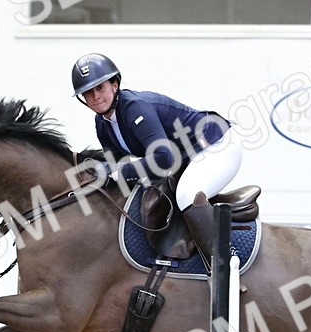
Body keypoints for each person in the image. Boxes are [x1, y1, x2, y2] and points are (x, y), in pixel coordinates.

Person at [71, 52, 243, 261]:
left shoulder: (134, 108)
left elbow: (163, 159)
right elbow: (117, 166)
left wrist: (118, 172)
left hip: (216, 145)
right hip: (186, 158)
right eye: (88, 92)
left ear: (114, 85)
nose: (96, 96)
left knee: (186, 196)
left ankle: (227, 262)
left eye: (100, 87)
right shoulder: (102, 124)